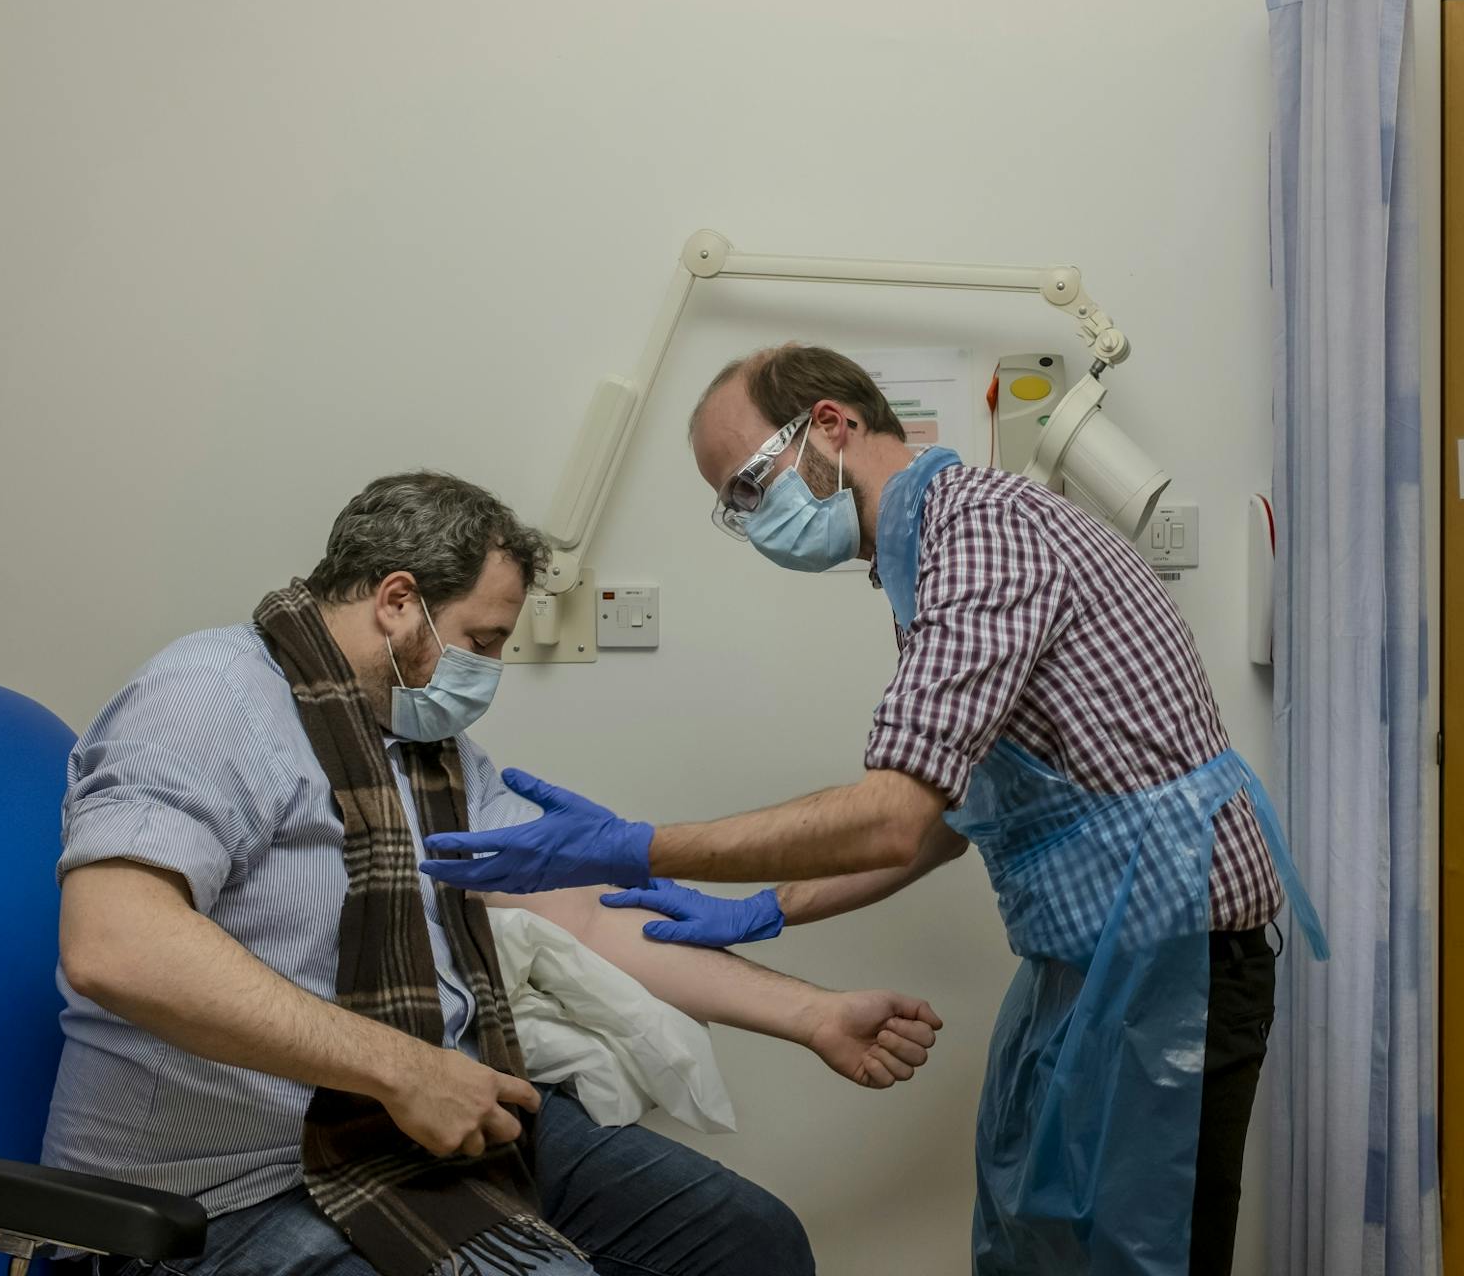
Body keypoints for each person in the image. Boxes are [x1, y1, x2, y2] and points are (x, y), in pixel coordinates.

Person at [422, 347, 1325, 1276]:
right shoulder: (929, 558)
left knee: (1143, 1255)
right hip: (1097, 958)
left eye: (745, 486)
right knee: (1043, 1242)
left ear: (830, 426)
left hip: (1171, 960)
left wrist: (632, 846)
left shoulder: (985, 536)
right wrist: (770, 907)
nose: (746, 517)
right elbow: (952, 815)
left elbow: (894, 813)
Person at [43, 470, 943, 1276]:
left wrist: (813, 1014)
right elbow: (117, 946)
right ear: (399, 601)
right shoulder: (208, 697)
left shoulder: (425, 749)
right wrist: (402, 1069)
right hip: (228, 1188)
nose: (492, 668)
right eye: (483, 638)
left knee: (750, 1243)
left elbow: (582, 915)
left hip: (419, 1128)